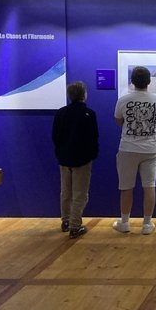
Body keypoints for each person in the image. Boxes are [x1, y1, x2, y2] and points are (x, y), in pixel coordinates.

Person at [112, 66, 156, 235]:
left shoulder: (123, 100)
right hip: (151, 147)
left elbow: (118, 121)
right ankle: (147, 224)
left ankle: (125, 222)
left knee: (126, 186)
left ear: (132, 81)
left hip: (128, 147)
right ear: (149, 81)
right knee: (150, 185)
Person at [52, 81, 99, 239]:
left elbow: (55, 137)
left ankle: (65, 221)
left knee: (65, 192)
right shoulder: (89, 114)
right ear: (84, 94)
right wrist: (92, 155)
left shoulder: (60, 113)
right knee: (80, 194)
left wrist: (60, 153)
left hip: (64, 159)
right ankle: (75, 226)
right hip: (82, 160)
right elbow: (93, 138)